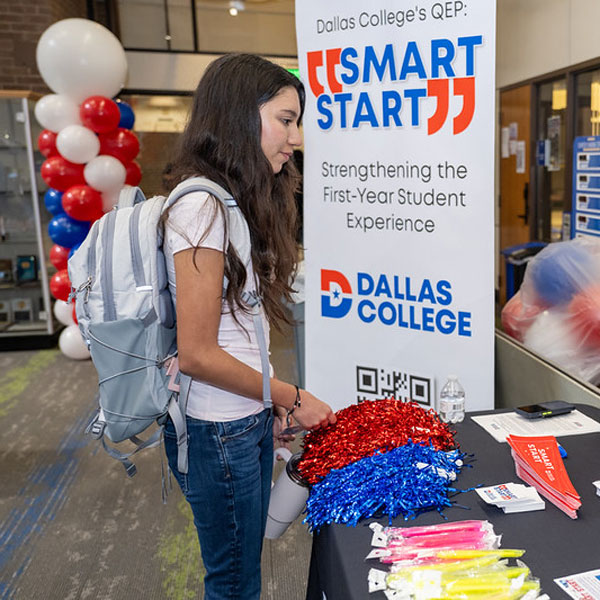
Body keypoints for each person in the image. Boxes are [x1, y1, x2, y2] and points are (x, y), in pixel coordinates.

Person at [160, 53, 337, 600]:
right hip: (218, 429)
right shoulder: (201, 209)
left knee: (241, 569)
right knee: (234, 582)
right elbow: (197, 353)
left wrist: (269, 402)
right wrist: (292, 395)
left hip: (242, 417)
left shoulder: (230, 204)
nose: (296, 137)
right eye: (285, 119)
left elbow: (243, 330)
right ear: (240, 115)